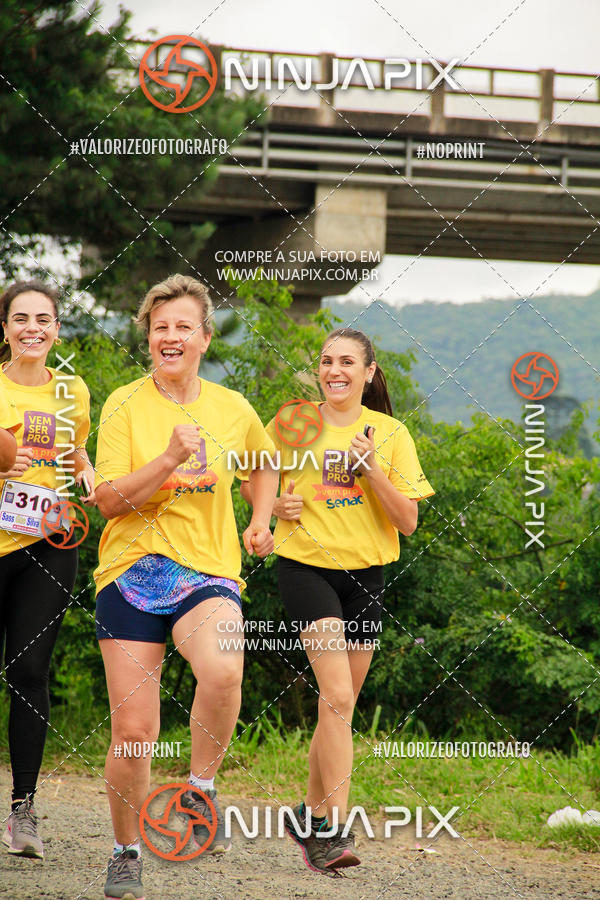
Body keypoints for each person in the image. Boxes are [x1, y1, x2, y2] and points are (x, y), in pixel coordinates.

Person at [94, 274, 278, 900]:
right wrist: (170, 460)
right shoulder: (123, 403)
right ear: (149, 337)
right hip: (131, 574)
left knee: (225, 671)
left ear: (203, 338)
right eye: (159, 327)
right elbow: (106, 501)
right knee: (135, 732)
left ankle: (200, 789)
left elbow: (264, 463)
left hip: (207, 572)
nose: (169, 337)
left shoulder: (232, 408)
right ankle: (125, 851)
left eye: (182, 327)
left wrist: (259, 518)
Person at [241, 327, 434, 873]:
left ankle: (305, 814)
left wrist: (371, 469)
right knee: (340, 697)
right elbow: (257, 479)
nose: (335, 370)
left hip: (367, 576)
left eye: (348, 362)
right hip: (306, 568)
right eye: (327, 361)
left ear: (369, 372)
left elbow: (409, 521)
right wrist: (275, 506)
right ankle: (331, 830)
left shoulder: (390, 433)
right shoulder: (295, 421)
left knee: (337, 709)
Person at [0, 280, 94, 860]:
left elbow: (74, 451)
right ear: (4, 328)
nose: (33, 327)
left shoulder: (73, 390)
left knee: (30, 671)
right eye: (20, 318)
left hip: (52, 539)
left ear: (56, 328)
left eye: (44, 318)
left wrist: (84, 468)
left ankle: (23, 811)